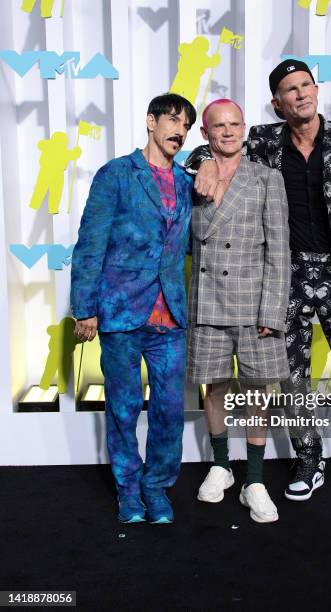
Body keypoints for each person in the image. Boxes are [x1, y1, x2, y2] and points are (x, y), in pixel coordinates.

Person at [187, 60, 331, 526]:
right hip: (289, 277)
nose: (300, 94)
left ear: (315, 89)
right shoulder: (266, 141)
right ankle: (309, 458)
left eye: (305, 85)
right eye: (289, 90)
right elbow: (214, 148)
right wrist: (204, 160)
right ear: (277, 103)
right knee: (292, 380)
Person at [71, 93, 196, 524]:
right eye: (173, 120)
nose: (180, 130)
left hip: (170, 317)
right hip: (121, 312)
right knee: (123, 407)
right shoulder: (116, 175)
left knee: (169, 410)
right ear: (150, 121)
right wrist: (85, 307)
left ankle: (157, 487)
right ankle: (128, 491)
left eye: (186, 124)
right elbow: (90, 242)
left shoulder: (185, 182)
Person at [187, 98, 290, 523]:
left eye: (234, 124)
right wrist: (201, 163)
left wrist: (273, 311)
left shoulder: (267, 178)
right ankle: (220, 466)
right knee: (214, 387)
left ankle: (254, 480)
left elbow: (279, 251)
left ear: (244, 128)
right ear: (205, 133)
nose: (228, 132)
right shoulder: (191, 175)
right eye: (218, 126)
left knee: (256, 393)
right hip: (207, 298)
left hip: (254, 304)